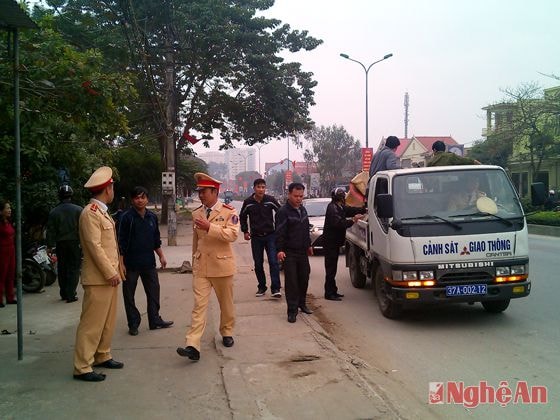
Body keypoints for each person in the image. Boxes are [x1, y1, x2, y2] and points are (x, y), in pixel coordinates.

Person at [177, 173, 239, 361]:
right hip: (202, 267)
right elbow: (196, 243)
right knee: (199, 307)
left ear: (215, 192)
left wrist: (210, 227)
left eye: (204, 191)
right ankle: (193, 345)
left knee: (226, 304)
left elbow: (232, 235)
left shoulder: (230, 212)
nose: (201, 195)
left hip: (222, 266)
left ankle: (227, 332)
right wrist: (194, 263)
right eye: (199, 191)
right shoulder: (197, 213)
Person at [73, 166, 125, 382]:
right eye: (112, 186)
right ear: (107, 188)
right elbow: (94, 247)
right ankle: (82, 366)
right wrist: (110, 272)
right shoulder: (90, 214)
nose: (113, 190)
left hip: (110, 277)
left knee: (107, 321)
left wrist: (118, 269)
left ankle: (102, 354)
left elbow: (111, 245)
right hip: (99, 278)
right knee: (92, 323)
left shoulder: (102, 212)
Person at [118, 186, 173, 336]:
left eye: (143, 197)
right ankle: (133, 323)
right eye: (137, 197)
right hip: (131, 263)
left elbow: (155, 239)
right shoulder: (126, 218)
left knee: (154, 291)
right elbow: (121, 242)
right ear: (132, 200)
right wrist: (121, 263)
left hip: (149, 262)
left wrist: (161, 255)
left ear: (147, 199)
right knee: (129, 295)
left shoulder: (152, 217)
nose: (140, 200)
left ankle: (154, 320)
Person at [275, 182, 313, 323]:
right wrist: (279, 250)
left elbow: (305, 229)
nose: (298, 199)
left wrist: (308, 245)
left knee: (304, 278)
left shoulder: (302, 210)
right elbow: (279, 232)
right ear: (289, 194)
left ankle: (302, 304)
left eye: (301, 196)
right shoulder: (283, 212)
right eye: (296, 196)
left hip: (302, 251)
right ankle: (292, 311)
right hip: (289, 252)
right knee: (291, 282)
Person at [240, 178, 282, 298]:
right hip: (256, 238)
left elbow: (280, 212)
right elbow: (242, 216)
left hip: (270, 236)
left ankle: (276, 288)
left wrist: (279, 228)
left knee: (273, 262)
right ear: (254, 188)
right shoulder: (248, 202)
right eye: (259, 187)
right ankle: (262, 287)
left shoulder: (270, 200)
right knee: (258, 264)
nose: (261, 189)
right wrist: (245, 231)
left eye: (263, 187)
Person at [323, 188, 366, 301]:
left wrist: (363, 209)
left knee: (332, 268)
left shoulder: (339, 207)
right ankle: (329, 293)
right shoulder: (333, 208)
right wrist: (353, 220)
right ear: (341, 198)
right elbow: (339, 224)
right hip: (330, 243)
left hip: (334, 243)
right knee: (331, 269)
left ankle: (333, 290)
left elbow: (350, 210)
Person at [46, 185, 83, 303]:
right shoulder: (79, 210)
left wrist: (49, 246)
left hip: (60, 243)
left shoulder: (54, 212)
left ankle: (64, 293)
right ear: (71, 195)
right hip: (75, 243)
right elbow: (83, 228)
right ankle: (71, 294)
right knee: (74, 268)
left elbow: (50, 230)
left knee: (62, 267)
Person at [0, 200, 16, 307]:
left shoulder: (8, 222)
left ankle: (10, 297)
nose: (9, 210)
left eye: (10, 208)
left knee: (11, 275)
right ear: (1, 211)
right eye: (7, 208)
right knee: (1, 275)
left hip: (11, 250)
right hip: (2, 251)